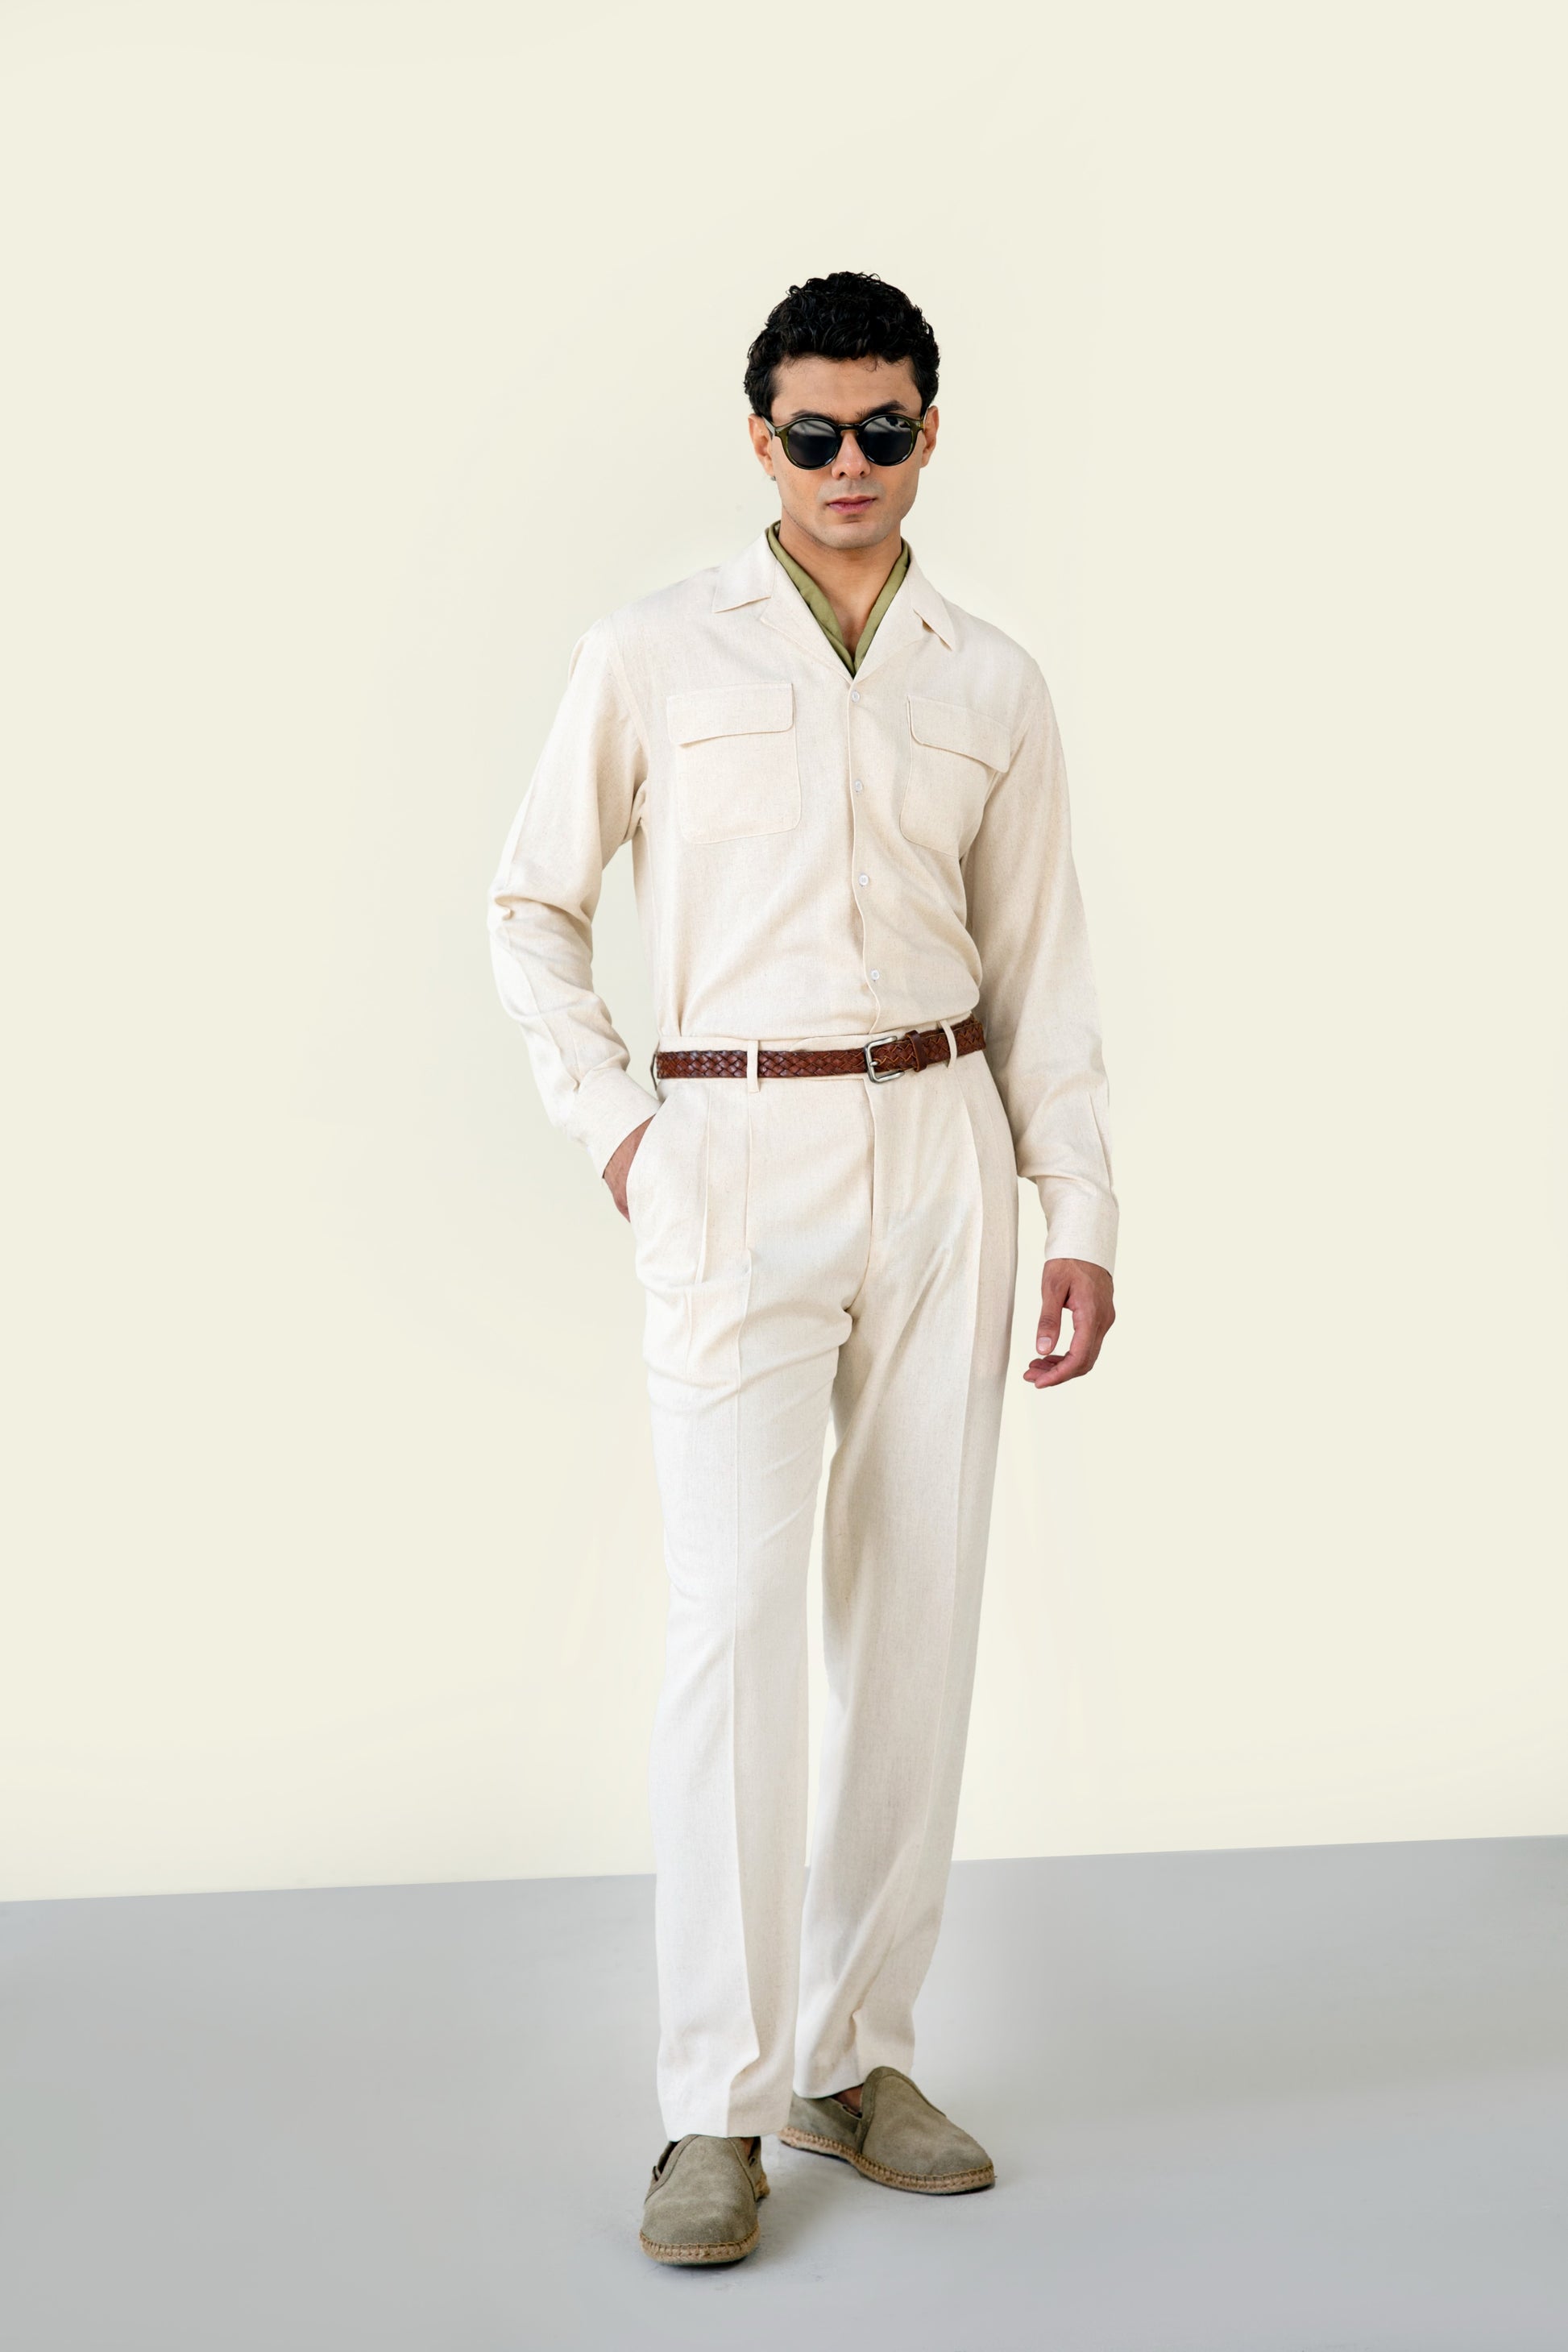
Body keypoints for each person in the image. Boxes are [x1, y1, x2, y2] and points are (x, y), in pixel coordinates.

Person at [487, 270, 1118, 2265]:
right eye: (815, 432)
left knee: (917, 1619)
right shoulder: (652, 653)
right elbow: (528, 904)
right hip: (729, 1152)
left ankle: (855, 2052)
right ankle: (717, 2099)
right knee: (734, 1624)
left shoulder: (988, 681)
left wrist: (1076, 1208)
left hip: (942, 1148)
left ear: (931, 432)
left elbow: (1045, 969)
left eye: (886, 429)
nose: (851, 464)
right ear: (759, 439)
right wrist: (622, 1129)